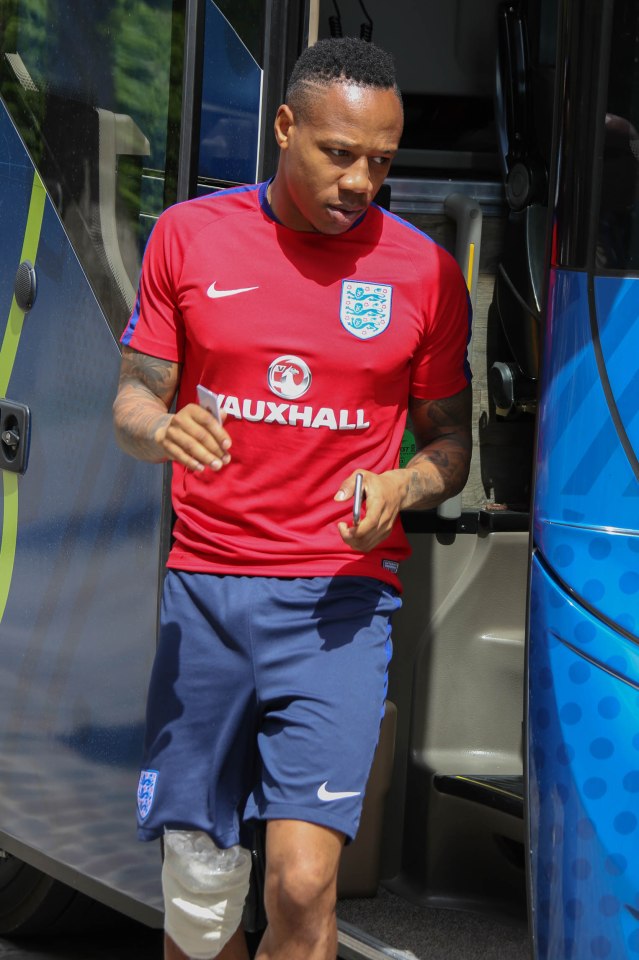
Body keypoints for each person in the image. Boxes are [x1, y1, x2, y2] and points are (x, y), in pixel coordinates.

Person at [113, 36, 472, 960]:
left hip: (339, 602)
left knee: (304, 886)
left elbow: (450, 444)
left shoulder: (426, 274)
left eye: (382, 163)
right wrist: (160, 430)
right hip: (208, 591)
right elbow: (131, 400)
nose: (361, 182)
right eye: (340, 154)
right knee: (197, 908)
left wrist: (402, 482)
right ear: (284, 127)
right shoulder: (189, 236)